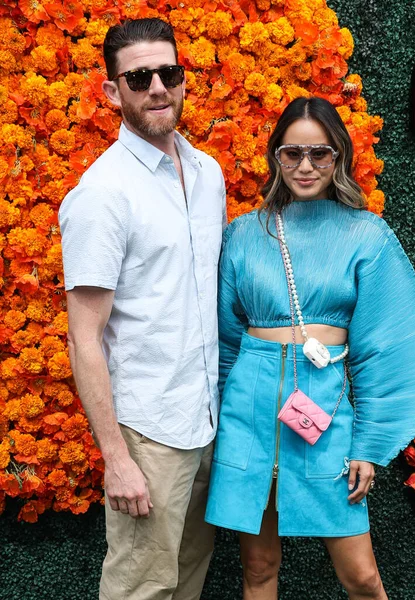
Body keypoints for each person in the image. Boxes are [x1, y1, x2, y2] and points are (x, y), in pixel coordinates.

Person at [205, 97, 415, 599]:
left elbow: (386, 350)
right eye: (292, 153)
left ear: (339, 158)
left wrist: (368, 447)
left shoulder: (366, 235)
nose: (305, 166)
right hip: (250, 407)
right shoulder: (244, 234)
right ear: (275, 157)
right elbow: (223, 343)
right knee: (259, 569)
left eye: (320, 153)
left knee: (362, 577)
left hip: (324, 408)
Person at [59, 18, 226, 600]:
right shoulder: (103, 194)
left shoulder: (210, 175)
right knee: (141, 589)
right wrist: (116, 458)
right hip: (148, 431)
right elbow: (85, 337)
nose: (157, 87)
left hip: (206, 421)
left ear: (183, 80)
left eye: (169, 72)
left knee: (186, 582)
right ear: (113, 92)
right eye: (139, 77)